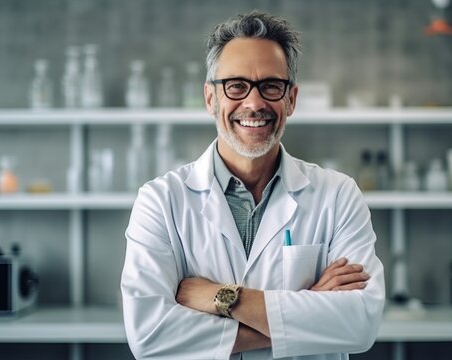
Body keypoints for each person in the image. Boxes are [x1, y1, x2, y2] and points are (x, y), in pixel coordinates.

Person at [121, 10, 385, 360]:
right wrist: (309, 310)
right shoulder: (160, 200)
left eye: (271, 86)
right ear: (210, 98)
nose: (255, 102)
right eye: (236, 86)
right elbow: (150, 335)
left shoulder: (338, 195)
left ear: (290, 99)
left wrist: (225, 298)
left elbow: (359, 323)